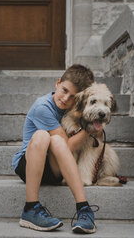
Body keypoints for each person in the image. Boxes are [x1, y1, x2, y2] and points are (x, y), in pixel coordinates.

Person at [12, 64, 99, 234]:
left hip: (54, 167)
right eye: (64, 90)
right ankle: (30, 208)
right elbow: (67, 146)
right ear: (57, 83)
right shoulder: (42, 107)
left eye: (73, 97)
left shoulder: (74, 109)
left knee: (56, 141)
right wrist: (89, 130)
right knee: (46, 137)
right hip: (28, 163)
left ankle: (84, 209)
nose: (66, 99)